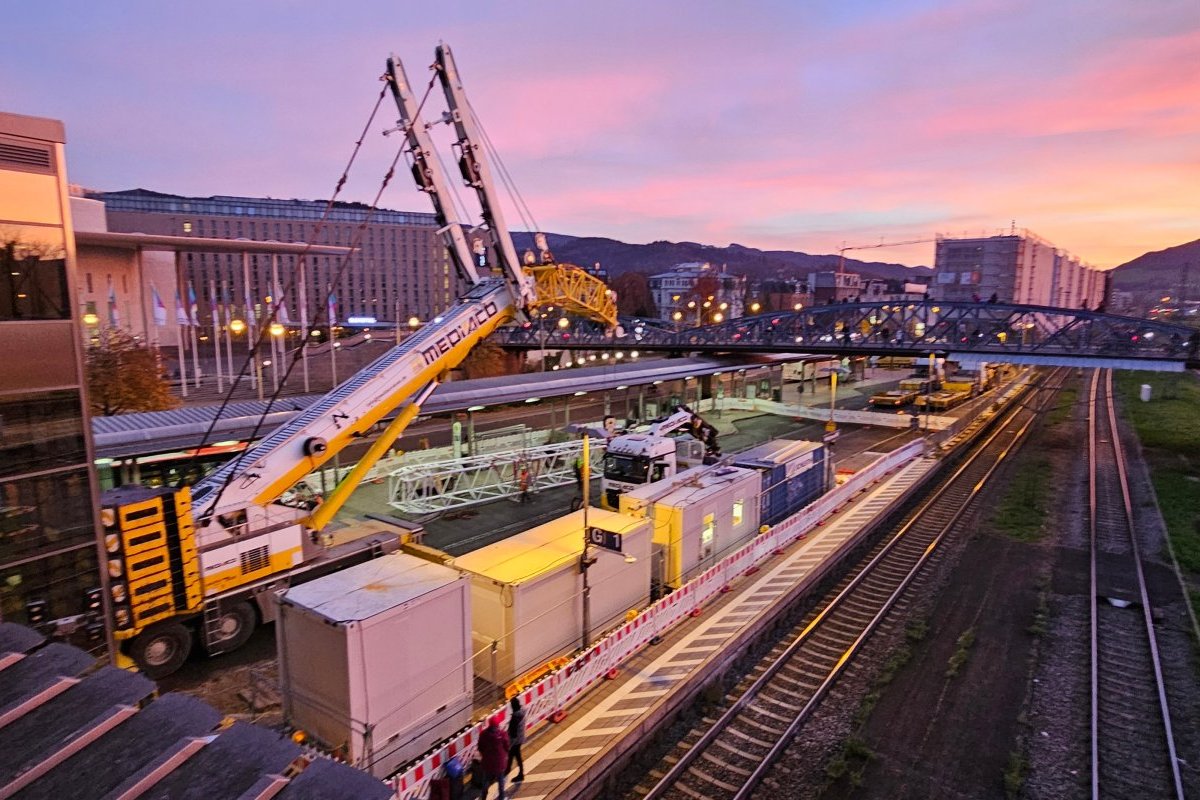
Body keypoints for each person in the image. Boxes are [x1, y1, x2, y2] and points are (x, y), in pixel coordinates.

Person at [478, 715, 510, 800]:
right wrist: (505, 754)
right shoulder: (502, 734)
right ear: (498, 724)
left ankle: (483, 797)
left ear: (489, 724)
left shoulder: (483, 734)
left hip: (487, 763)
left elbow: (480, 747)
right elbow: (507, 746)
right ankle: (502, 797)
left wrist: (484, 754)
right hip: (500, 763)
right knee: (500, 782)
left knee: (486, 782)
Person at [507, 697, 527, 783]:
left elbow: (513, 732)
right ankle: (508, 770)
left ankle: (521, 774)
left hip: (515, 741)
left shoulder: (515, 718)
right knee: (512, 755)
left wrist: (509, 741)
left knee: (516, 756)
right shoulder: (522, 712)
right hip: (520, 737)